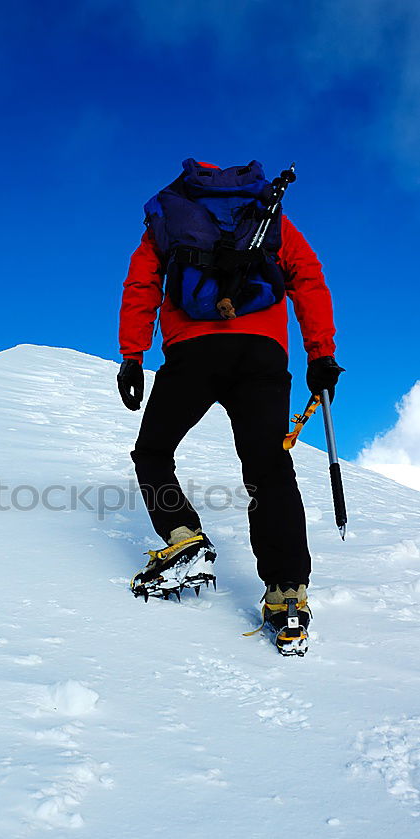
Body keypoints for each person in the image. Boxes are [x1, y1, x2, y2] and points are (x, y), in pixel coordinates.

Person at [116, 159, 344, 654]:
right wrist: (321, 354)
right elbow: (307, 279)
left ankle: (183, 536)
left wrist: (132, 356)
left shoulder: (169, 218)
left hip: (192, 351)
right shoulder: (267, 216)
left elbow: (142, 286)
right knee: (268, 466)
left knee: (153, 451)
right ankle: (287, 590)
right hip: (262, 352)